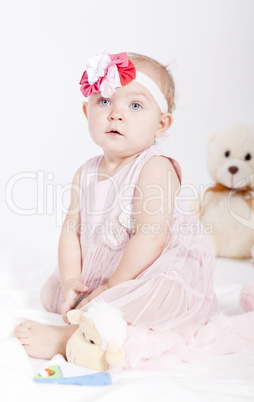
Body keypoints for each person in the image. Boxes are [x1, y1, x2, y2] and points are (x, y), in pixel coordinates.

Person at [15, 51, 219, 359]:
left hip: (144, 271)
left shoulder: (155, 167)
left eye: (135, 105)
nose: (116, 114)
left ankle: (72, 338)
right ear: (87, 111)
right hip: (104, 272)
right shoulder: (85, 172)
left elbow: (151, 237)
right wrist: (71, 278)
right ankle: (94, 307)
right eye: (105, 101)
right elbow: (71, 230)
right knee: (52, 293)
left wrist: (113, 287)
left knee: (159, 296)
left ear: (160, 125)